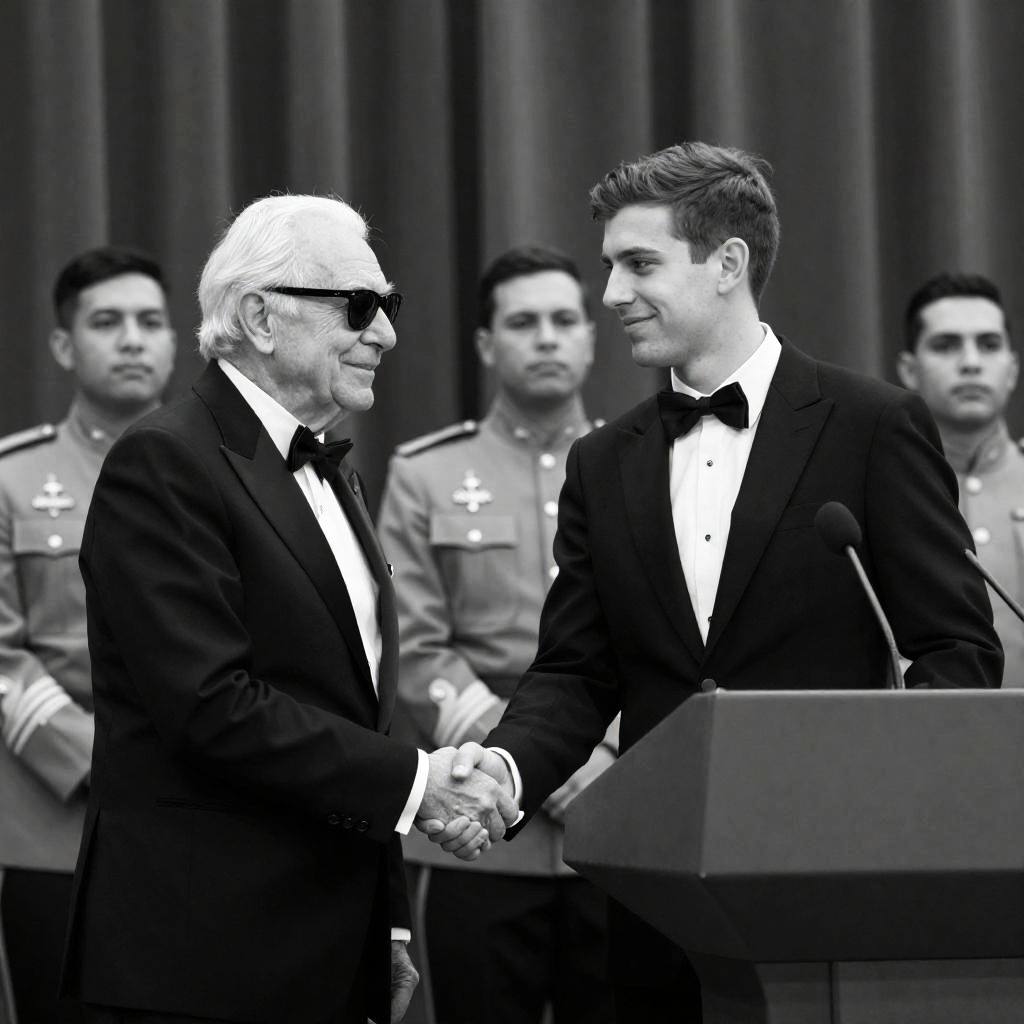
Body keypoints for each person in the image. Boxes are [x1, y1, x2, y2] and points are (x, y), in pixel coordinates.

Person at [427, 142, 1003, 1023]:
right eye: (610, 266)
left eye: (638, 264)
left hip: (830, 890)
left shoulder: (872, 425)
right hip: (655, 910)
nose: (612, 293)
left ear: (727, 263)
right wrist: (503, 771)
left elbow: (953, 649)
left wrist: (894, 813)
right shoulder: (602, 461)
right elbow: (575, 673)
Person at [58, 195, 516, 1024]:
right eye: (359, 306)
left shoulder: (330, 468)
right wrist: (420, 783)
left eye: (389, 305)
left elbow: (353, 709)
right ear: (261, 318)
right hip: (203, 963)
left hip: (331, 943)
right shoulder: (164, 461)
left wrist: (387, 918)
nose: (387, 334)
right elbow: (211, 706)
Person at [378, 245, 616, 1024]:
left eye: (564, 320)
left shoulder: (642, 467)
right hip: (473, 827)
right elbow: (415, 646)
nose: (546, 337)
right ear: (485, 344)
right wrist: (525, 764)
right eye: (523, 322)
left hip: (620, 819)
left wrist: (597, 756)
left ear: (590, 337)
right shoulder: (425, 473)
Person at [0, 246, 177, 1024]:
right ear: (64, 346)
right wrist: (102, 757)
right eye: (107, 323)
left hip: (213, 816)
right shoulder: (11, 479)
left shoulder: (241, 475)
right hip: (60, 822)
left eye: (151, 322)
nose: (133, 339)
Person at [897, 272, 1024, 687]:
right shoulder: (880, 490)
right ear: (909, 370)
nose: (970, 362)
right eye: (946, 345)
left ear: (1012, 369)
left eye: (989, 345)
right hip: (926, 725)